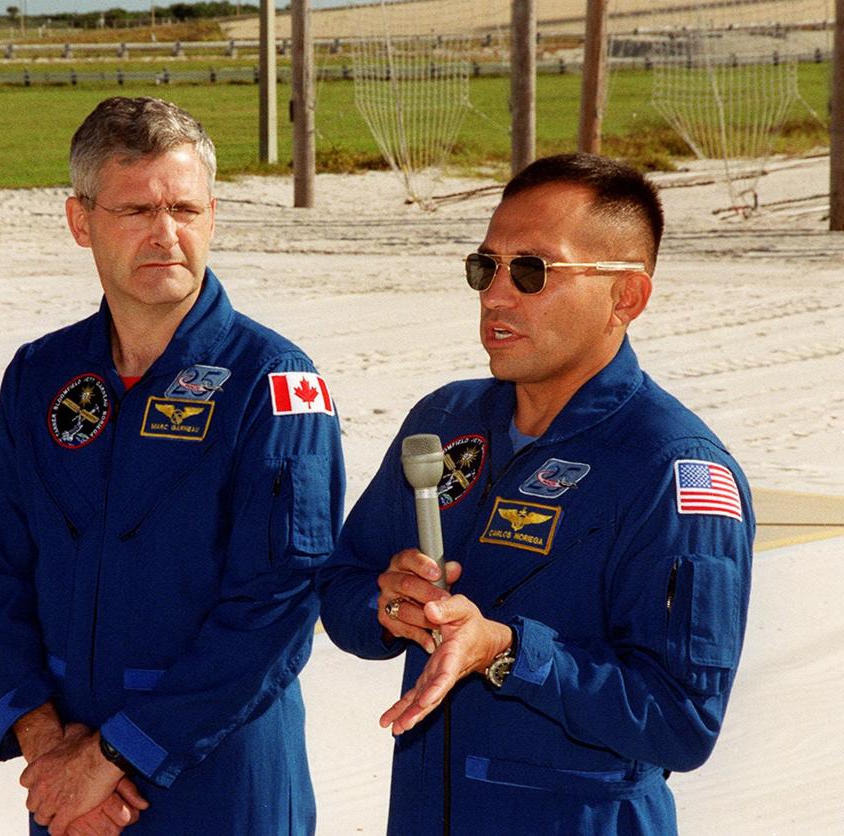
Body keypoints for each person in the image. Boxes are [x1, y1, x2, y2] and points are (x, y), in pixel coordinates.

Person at [317, 153, 754, 834]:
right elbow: (342, 584)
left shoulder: (674, 470)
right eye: (484, 267)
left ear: (626, 297)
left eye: (532, 272)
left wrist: (507, 651)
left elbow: (681, 722)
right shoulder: (445, 421)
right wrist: (386, 605)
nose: (496, 295)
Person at [0, 96, 345, 835]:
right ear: (81, 222)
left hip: (219, 779)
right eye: (136, 211)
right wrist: (50, 752)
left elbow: (274, 607)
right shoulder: (40, 376)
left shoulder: (274, 383)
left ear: (213, 216)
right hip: (70, 790)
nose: (165, 235)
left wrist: (112, 758)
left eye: (185, 209)